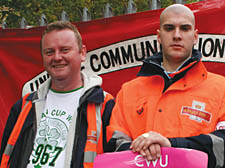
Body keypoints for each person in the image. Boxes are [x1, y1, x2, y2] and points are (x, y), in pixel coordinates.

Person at [107, 4, 225, 168]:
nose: (177, 35)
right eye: (169, 28)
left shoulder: (221, 89)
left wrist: (171, 145)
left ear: (195, 36)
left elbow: (222, 145)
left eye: (184, 28)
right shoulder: (129, 91)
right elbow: (113, 143)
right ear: (159, 36)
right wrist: (146, 149)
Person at [0, 21, 114, 168]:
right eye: (49, 52)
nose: (57, 57)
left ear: (82, 53)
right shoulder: (24, 106)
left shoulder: (104, 105)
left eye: (65, 50)